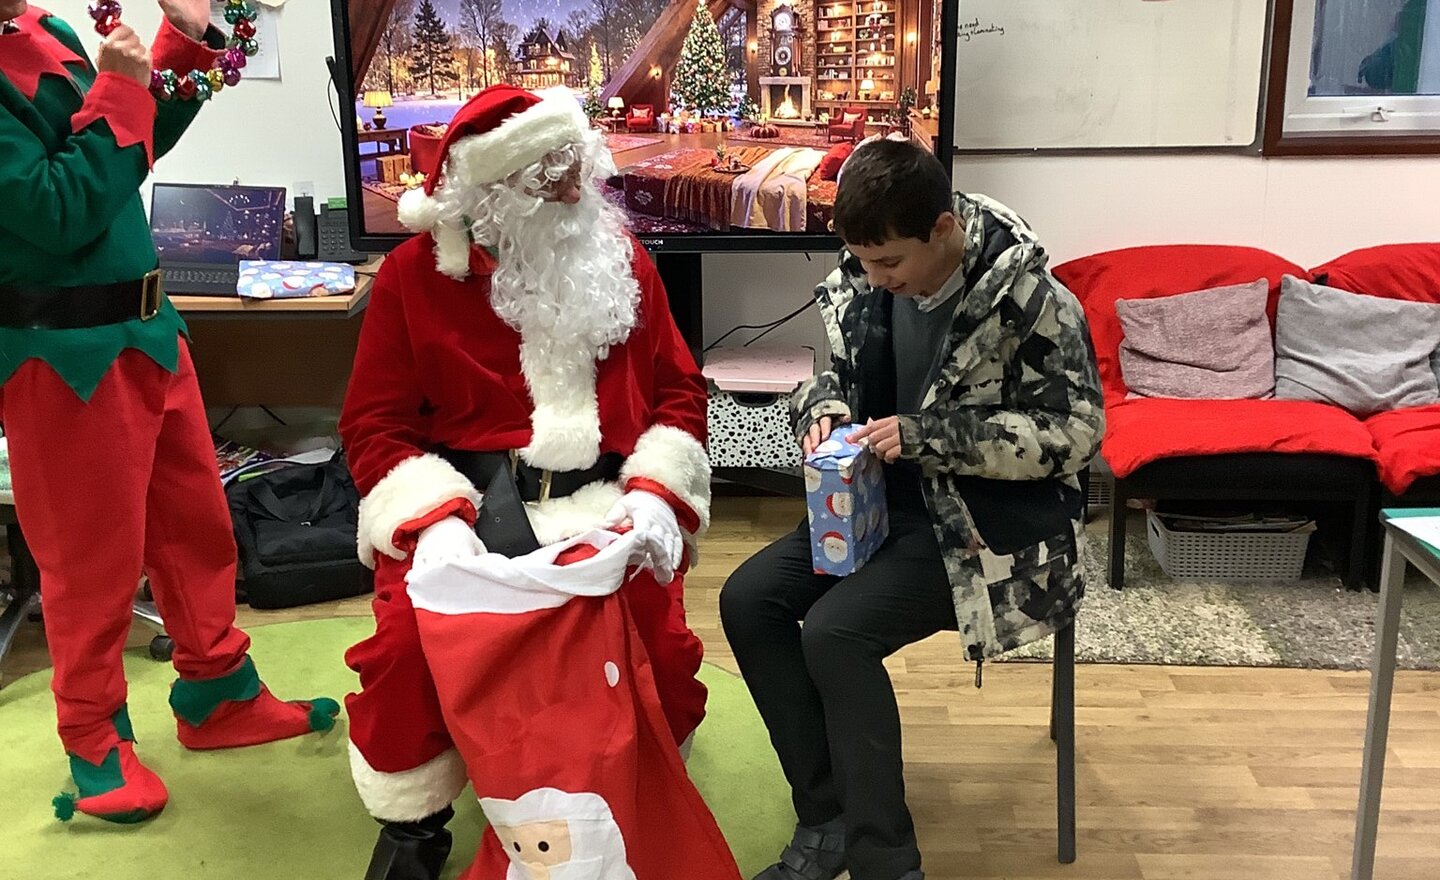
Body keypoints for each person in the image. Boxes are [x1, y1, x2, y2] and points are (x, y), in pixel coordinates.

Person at [338, 84, 713, 880]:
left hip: (608, 504)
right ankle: (416, 821)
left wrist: (654, 496)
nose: (577, 188)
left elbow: (680, 391)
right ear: (492, 192)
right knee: (404, 647)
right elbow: (373, 424)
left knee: (658, 639)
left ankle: (638, 776)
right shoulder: (411, 277)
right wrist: (435, 522)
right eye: (550, 172)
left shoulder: (623, 259)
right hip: (465, 509)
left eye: (578, 162)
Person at [720, 139, 1105, 880]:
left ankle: (885, 859)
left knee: (836, 634)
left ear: (942, 228)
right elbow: (830, 375)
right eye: (864, 262)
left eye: (890, 262)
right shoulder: (867, 277)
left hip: (986, 531)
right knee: (748, 600)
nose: (875, 278)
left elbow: (1078, 433)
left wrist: (934, 436)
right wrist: (822, 409)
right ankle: (827, 816)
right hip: (872, 506)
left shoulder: (1032, 300)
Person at [0, 1, 337, 825]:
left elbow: (127, 153)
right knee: (91, 563)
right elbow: (56, 210)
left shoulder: (43, 32)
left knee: (196, 528)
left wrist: (183, 40)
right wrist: (121, 88)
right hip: (63, 358)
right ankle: (92, 739)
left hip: (149, 331)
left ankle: (219, 693)